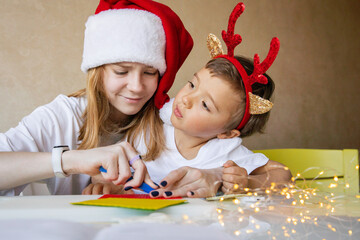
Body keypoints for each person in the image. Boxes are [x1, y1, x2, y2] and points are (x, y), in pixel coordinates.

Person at [83, 2, 292, 198]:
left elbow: (282, 174)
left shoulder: (225, 152)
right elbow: (105, 167)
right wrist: (107, 184)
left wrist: (247, 182)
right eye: (192, 85)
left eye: (205, 104)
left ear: (227, 133)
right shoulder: (148, 129)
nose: (186, 99)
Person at [0, 0, 194, 196]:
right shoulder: (63, 116)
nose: (136, 87)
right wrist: (70, 161)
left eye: (150, 72)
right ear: (97, 72)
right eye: (121, 72)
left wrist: (216, 175)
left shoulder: (169, 121)